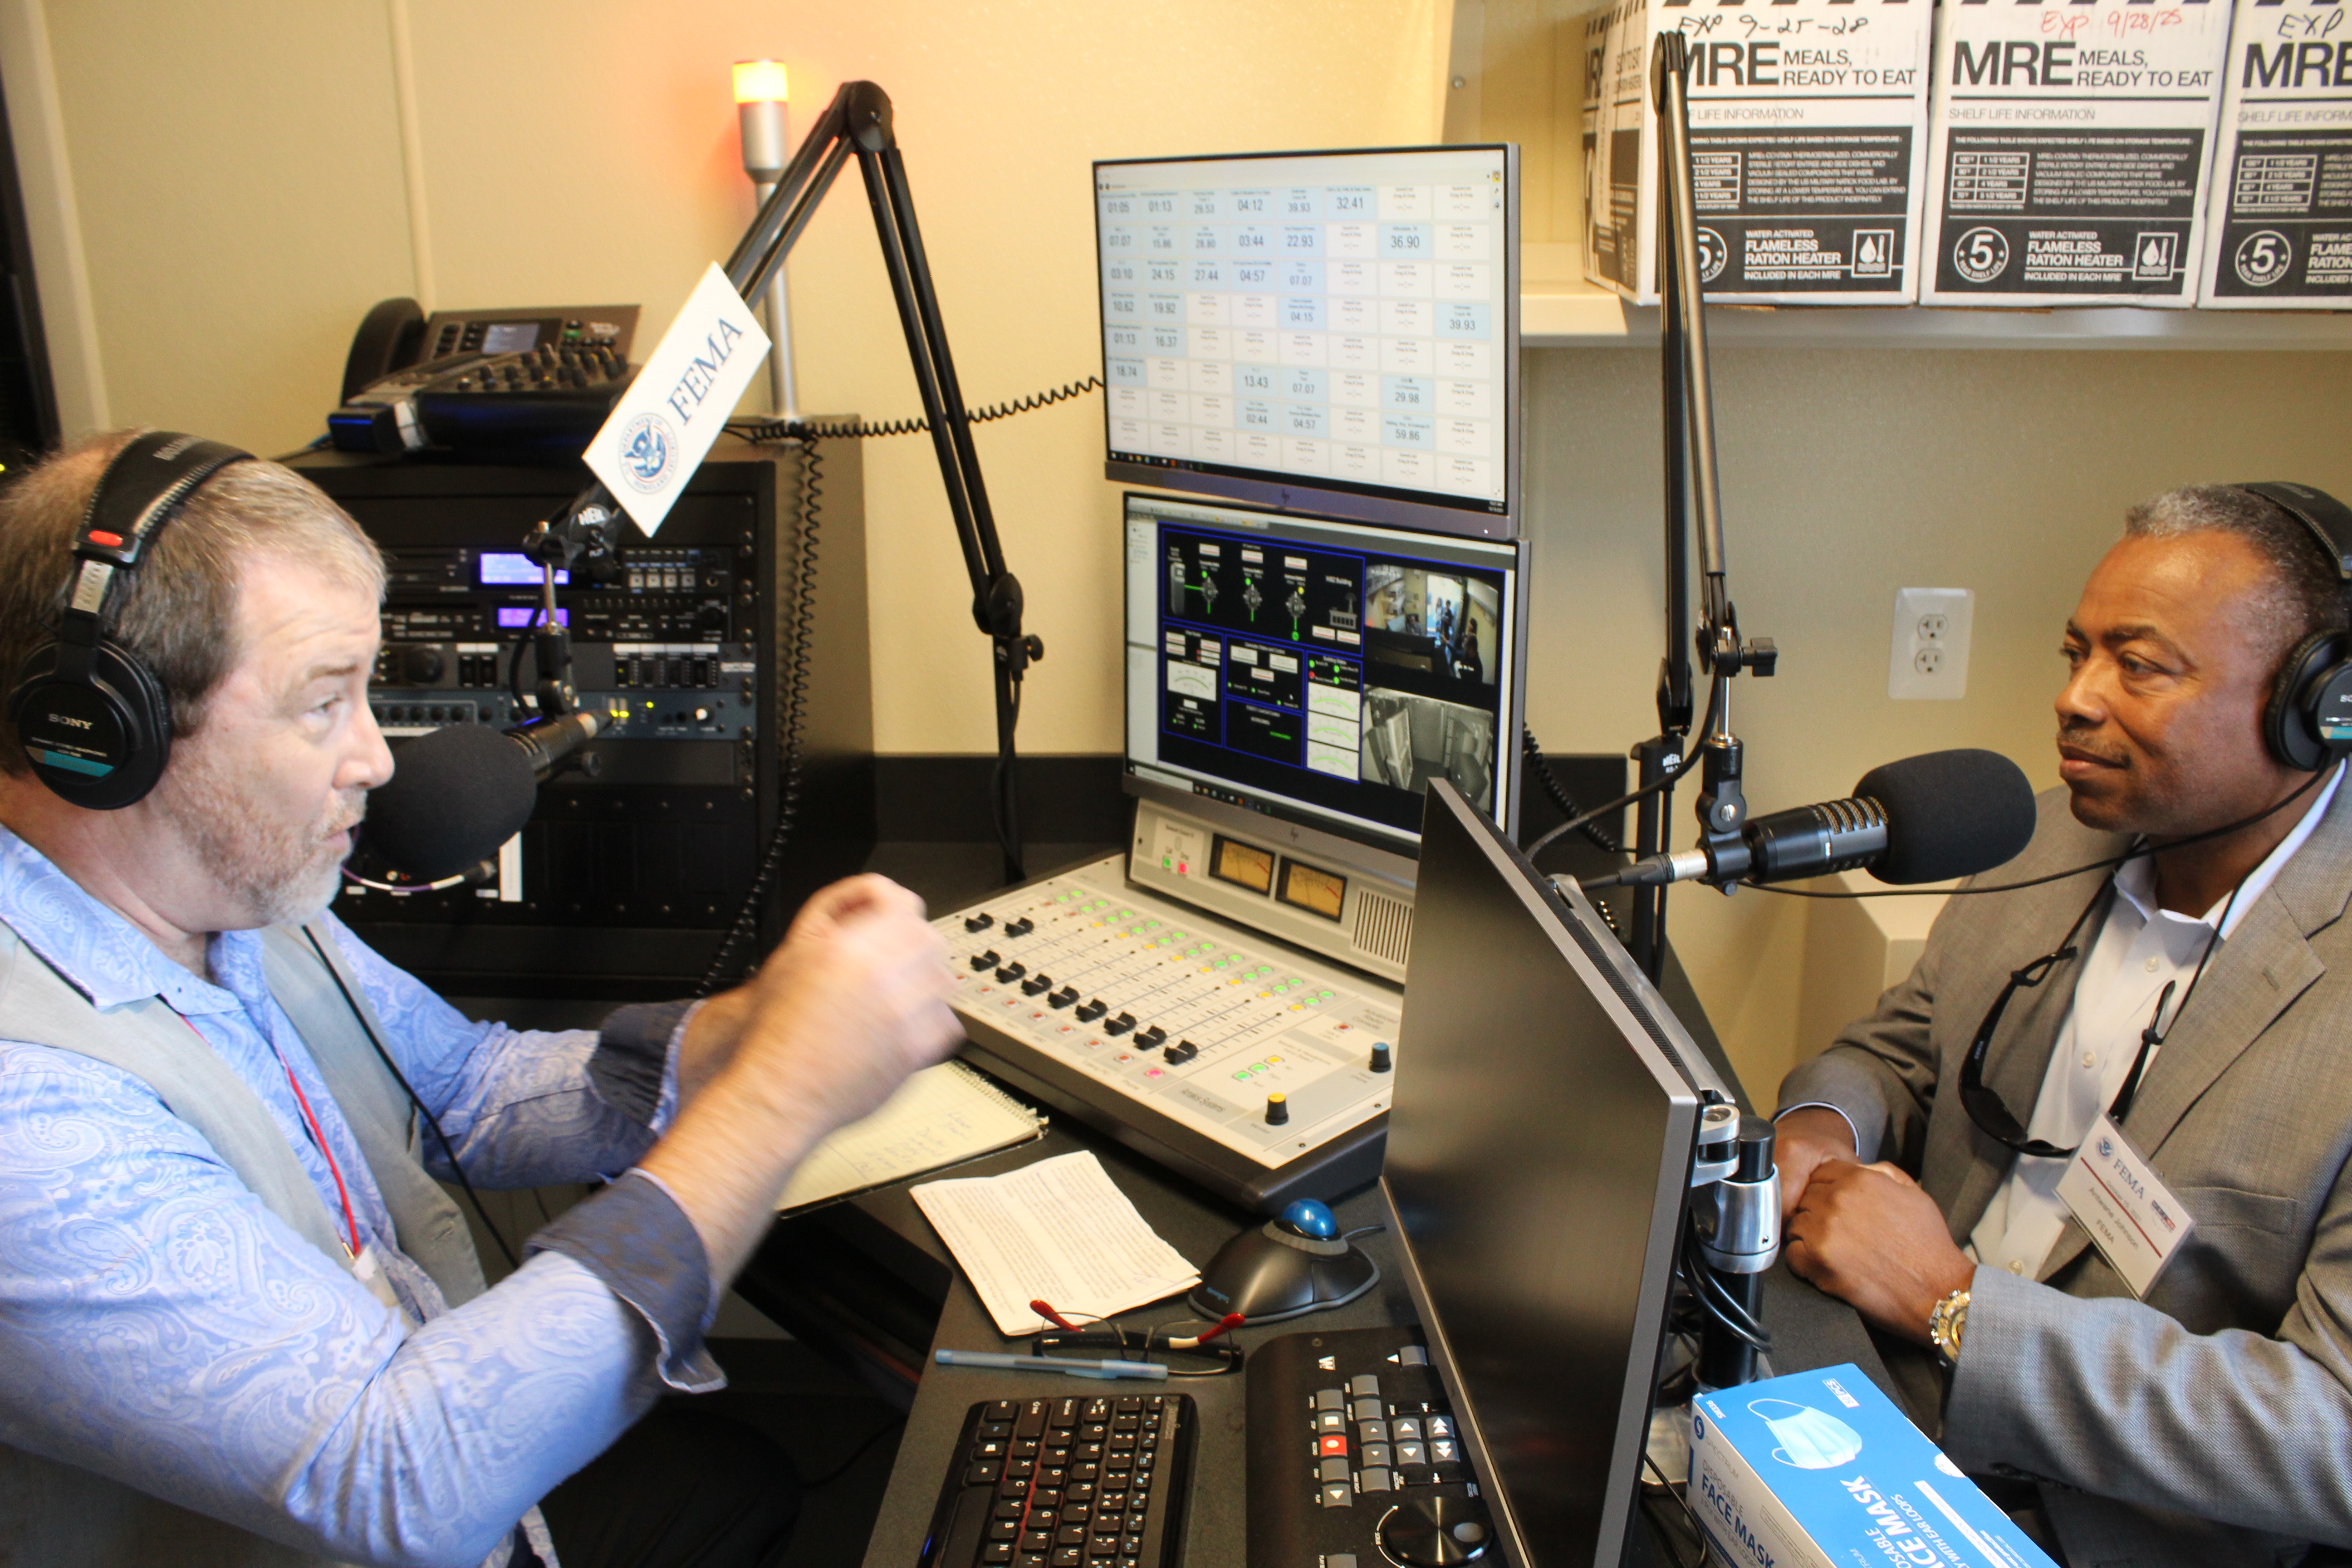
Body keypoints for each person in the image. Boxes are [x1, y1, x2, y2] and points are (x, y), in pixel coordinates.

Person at [0, 431, 963, 1568]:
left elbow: (460, 1087)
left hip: (468, 1486)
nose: (376, 758)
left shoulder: (232, 896)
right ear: (105, 732)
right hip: (410, 1500)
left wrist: (738, 1035)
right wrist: (777, 1099)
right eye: (323, 706)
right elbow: (402, 1479)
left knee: (730, 1477)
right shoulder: (32, 1107)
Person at [1774, 484, 2352, 1567]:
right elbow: (1903, 1047)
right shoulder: (2048, 839)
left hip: (2105, 1523)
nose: (2076, 702)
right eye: (2076, 653)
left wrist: (1956, 1309)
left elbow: (2335, 1440)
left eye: (2140, 666)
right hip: (1878, 1385)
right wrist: (1821, 1126)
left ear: (2320, 705)